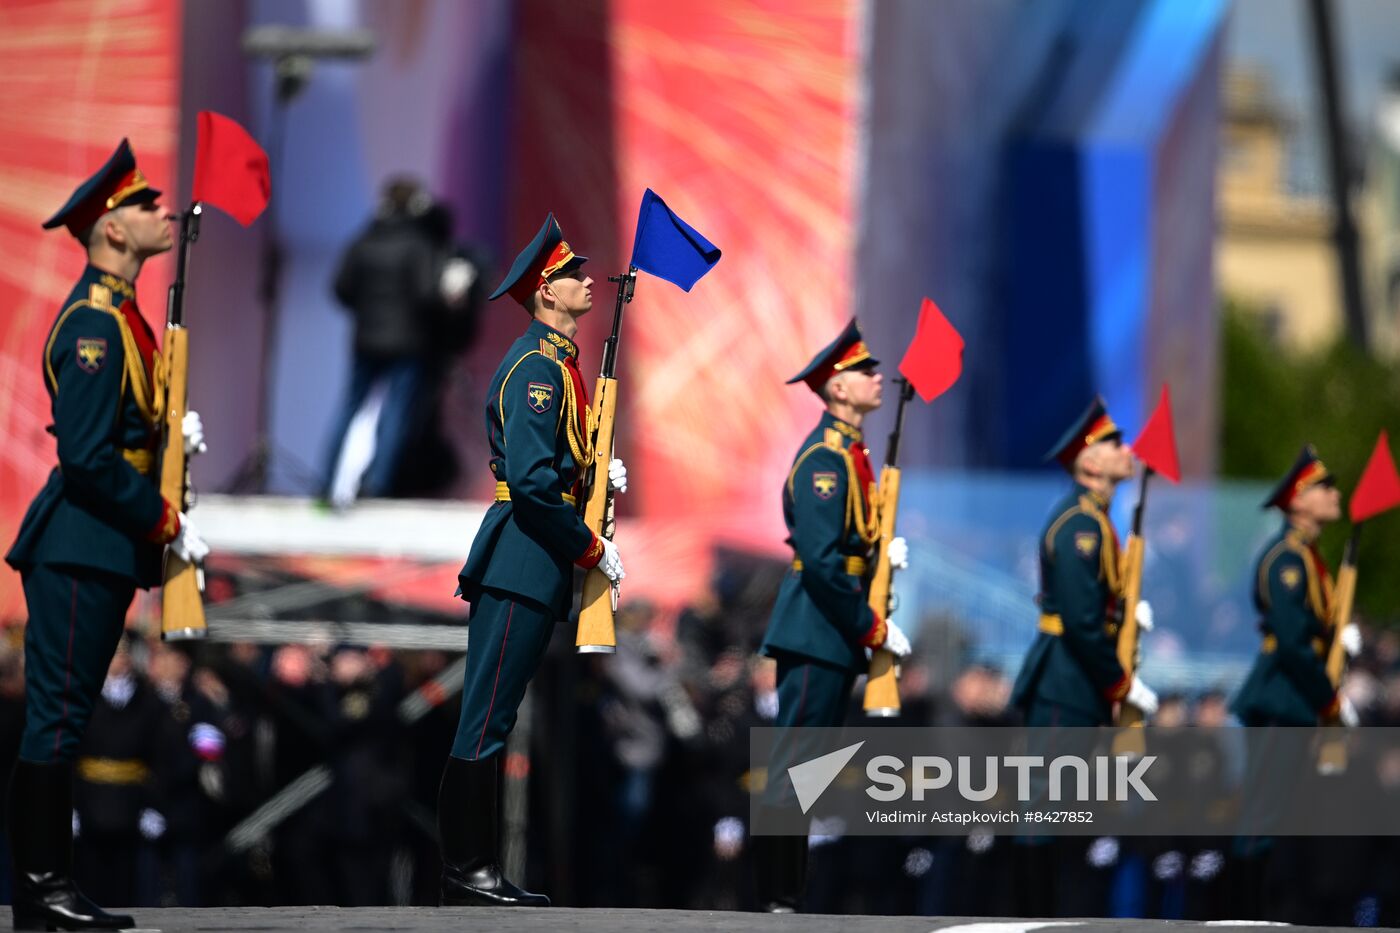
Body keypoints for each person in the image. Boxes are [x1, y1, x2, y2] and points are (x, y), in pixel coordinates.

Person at [4, 139, 209, 931]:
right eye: (146, 204)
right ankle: (42, 888)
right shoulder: (93, 325)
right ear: (112, 231)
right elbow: (88, 458)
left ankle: (48, 885)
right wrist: (162, 518)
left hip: (102, 542)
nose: (163, 213)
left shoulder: (121, 314)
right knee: (57, 717)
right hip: (82, 539)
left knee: (67, 713)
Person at [437, 213, 626, 907]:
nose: (586, 279)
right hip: (522, 555)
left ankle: (473, 868)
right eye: (573, 273)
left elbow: (557, 470)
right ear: (546, 292)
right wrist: (590, 544)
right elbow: (534, 482)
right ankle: (467, 871)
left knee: (497, 715)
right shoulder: (538, 370)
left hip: (532, 559)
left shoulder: (557, 367)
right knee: (487, 717)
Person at [751, 319, 913, 913]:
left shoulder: (850, 453)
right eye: (864, 371)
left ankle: (785, 890)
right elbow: (820, 562)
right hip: (818, 627)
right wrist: (871, 626)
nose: (877, 379)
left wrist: (879, 556)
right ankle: (775, 893)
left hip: (831, 629)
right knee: (796, 760)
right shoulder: (824, 460)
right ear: (837, 389)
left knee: (810, 765)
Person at [1007, 396, 1158, 916]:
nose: (1126, 450)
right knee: (1044, 802)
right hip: (1065, 680)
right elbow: (1079, 618)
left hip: (1077, 682)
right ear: (1089, 462)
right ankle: (1031, 914)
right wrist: (1120, 682)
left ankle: (1049, 913)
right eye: (1114, 442)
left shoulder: (1095, 521)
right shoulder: (1080, 526)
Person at [1228, 445, 1361, 917]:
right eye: (1324, 487)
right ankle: (1243, 914)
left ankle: (1265, 910)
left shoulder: (1308, 557)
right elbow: (1290, 641)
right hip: (1281, 696)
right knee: (1262, 815)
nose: (1334, 495)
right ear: (1299, 499)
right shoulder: (1286, 560)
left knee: (1280, 815)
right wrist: (1327, 696)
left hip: (1294, 699)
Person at [321, 176, 485, 506]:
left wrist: (368, 310)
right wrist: (450, 297)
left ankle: (326, 482)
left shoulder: (363, 240)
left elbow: (340, 289)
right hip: (408, 343)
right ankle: (377, 485)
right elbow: (428, 293)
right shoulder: (418, 244)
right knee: (395, 412)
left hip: (366, 341)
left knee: (349, 408)